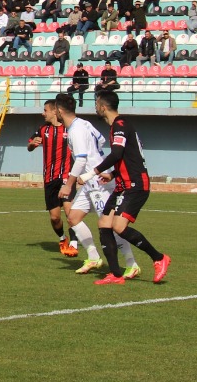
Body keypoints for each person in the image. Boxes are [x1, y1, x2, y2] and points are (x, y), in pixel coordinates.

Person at [90, 88, 170, 286]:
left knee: (118, 226)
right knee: (104, 224)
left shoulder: (120, 125)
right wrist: (112, 174)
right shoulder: (119, 126)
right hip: (122, 184)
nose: (96, 108)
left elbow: (117, 154)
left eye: (96, 104)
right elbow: (130, 158)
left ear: (102, 106)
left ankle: (159, 258)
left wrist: (92, 172)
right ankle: (116, 275)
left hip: (135, 185)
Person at [50, 92, 124, 275]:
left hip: (98, 182)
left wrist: (68, 184)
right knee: (73, 218)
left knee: (111, 226)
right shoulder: (84, 123)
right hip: (91, 183)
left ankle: (131, 263)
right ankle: (93, 257)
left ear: (59, 111)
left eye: (52, 110)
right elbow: (100, 140)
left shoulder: (76, 130)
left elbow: (81, 160)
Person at [28, 100, 78, 257]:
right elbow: (29, 145)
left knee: (70, 214)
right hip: (49, 179)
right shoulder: (43, 130)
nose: (43, 113)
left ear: (55, 112)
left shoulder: (70, 129)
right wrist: (32, 144)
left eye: (45, 110)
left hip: (66, 178)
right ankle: (63, 239)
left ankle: (74, 244)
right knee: (55, 217)